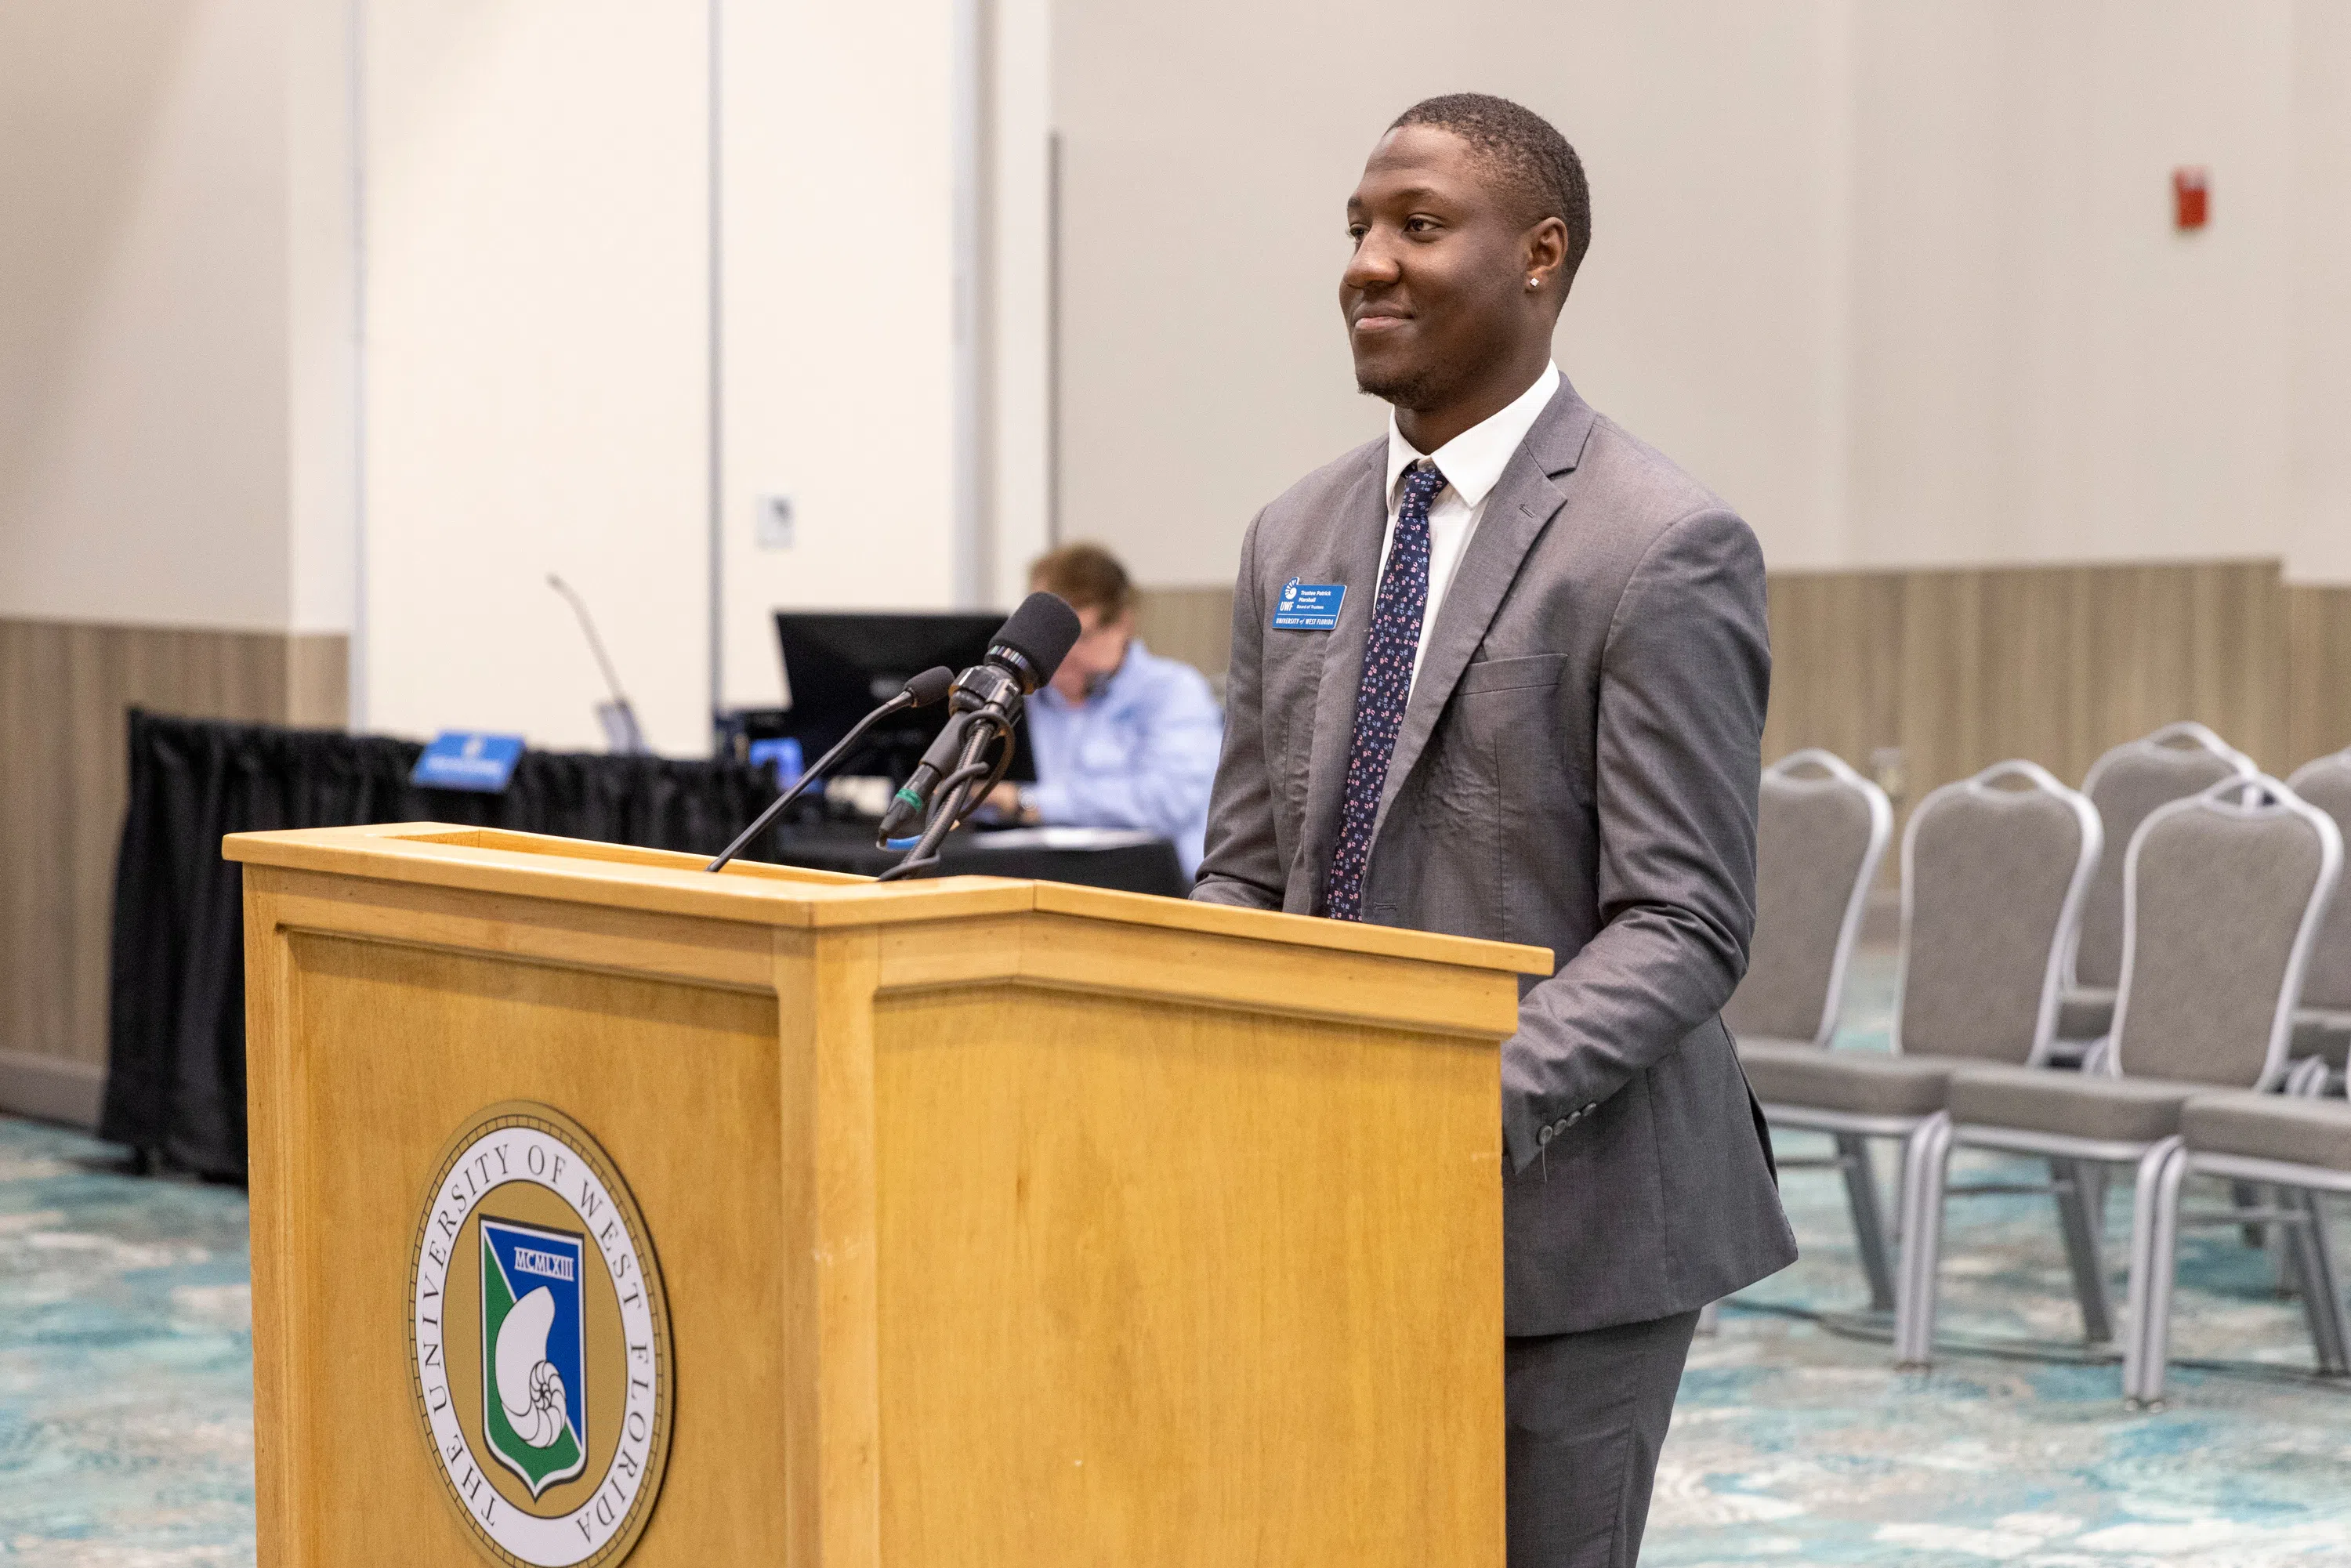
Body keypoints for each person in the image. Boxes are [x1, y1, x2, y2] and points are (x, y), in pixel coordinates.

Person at [1192, 94, 1795, 1566]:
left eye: (1418, 225)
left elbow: (1684, 921)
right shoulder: (1295, 535)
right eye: (1355, 229)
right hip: (1313, 1194)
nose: (1368, 263)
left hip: (1567, 1217)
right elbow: (1247, 866)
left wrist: (1452, 1102)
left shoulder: (1657, 543)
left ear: (1540, 254)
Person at [987, 542, 1223, 878]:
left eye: (1078, 639)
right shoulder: (1019, 697)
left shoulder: (1172, 691)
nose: (1060, 656)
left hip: (1157, 892)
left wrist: (1024, 803)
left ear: (1122, 625)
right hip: (1040, 882)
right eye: (1050, 640)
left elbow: (1166, 801)